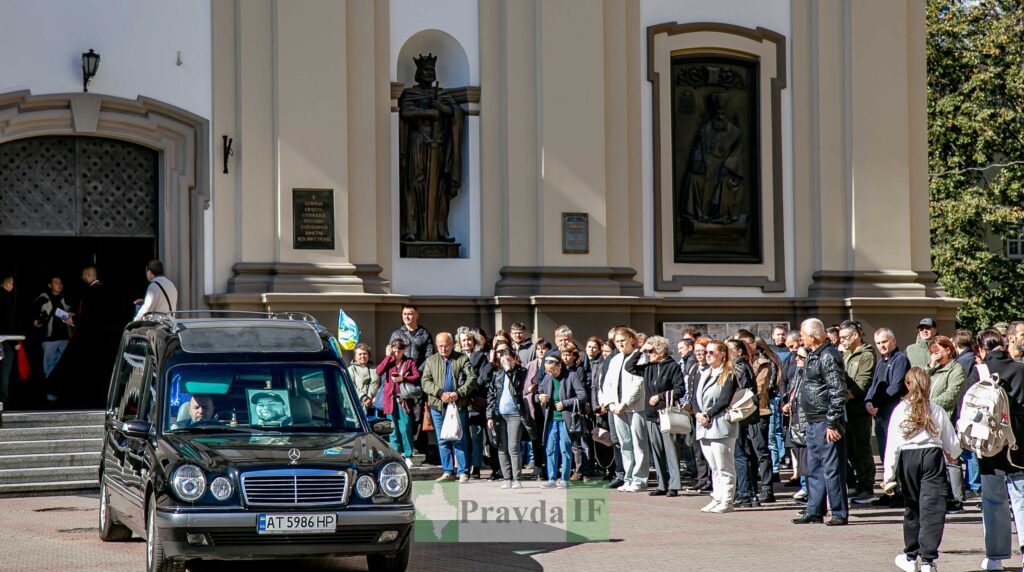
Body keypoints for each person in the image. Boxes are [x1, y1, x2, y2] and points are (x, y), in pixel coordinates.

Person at [885, 368, 961, 572]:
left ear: (907, 385)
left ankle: (911, 556)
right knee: (933, 508)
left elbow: (892, 444)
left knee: (912, 507)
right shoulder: (936, 409)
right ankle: (928, 560)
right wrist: (951, 452)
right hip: (932, 456)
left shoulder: (900, 410)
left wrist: (888, 476)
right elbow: (953, 445)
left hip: (908, 457)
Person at [965, 330, 1024, 572]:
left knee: (993, 502)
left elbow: (965, 410)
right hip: (1019, 447)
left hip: (989, 449)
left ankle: (996, 557)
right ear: (1004, 344)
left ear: (980, 349)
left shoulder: (979, 373)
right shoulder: (1021, 370)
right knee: (1021, 502)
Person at [792, 318, 849, 526]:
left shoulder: (828, 355)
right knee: (813, 467)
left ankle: (839, 512)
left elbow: (837, 390)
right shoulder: (813, 355)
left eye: (803, 335)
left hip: (826, 421)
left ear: (813, 336)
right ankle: (815, 509)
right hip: (812, 420)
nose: (801, 339)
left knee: (832, 468)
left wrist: (833, 423)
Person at [625, 335, 685, 497]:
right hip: (651, 415)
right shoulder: (648, 367)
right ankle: (662, 484)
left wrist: (660, 396)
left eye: (651, 350)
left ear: (660, 351)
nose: (649, 353)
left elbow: (680, 390)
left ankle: (674, 485)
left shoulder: (672, 367)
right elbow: (629, 367)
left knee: (671, 451)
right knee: (657, 452)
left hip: (667, 414)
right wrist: (640, 350)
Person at [862, 327, 911, 506]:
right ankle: (889, 490)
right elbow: (874, 384)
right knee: (885, 453)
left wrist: (876, 403)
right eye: (878, 343)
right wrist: (868, 401)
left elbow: (896, 386)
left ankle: (899, 492)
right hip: (881, 414)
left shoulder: (900, 359)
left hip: (894, 411)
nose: (882, 345)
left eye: (884, 341)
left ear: (893, 341)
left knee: (895, 452)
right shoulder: (881, 362)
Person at [420, 332, 478, 483]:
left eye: (446, 345)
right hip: (438, 405)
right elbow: (425, 381)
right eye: (440, 346)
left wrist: (458, 393)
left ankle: (463, 471)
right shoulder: (431, 361)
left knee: (459, 437)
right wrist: (440, 393)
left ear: (452, 344)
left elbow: (471, 379)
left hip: (458, 404)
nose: (443, 348)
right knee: (442, 439)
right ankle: (448, 471)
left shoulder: (462, 358)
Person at [599, 327, 649, 493]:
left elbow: (639, 383)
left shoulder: (641, 357)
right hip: (616, 409)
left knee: (638, 444)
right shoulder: (615, 359)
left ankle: (639, 480)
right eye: (617, 341)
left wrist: (625, 403)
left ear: (632, 339)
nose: (620, 344)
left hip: (635, 408)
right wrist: (610, 403)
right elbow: (607, 384)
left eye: (623, 340)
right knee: (625, 444)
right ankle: (628, 478)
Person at [692, 340, 739, 513]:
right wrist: (697, 413)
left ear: (722, 354)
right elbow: (693, 397)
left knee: (724, 465)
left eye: (712, 352)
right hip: (703, 425)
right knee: (713, 466)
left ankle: (727, 499)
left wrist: (708, 415)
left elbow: (724, 399)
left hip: (720, 424)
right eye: (706, 353)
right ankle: (717, 496)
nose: (708, 355)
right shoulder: (703, 373)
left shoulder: (729, 373)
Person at [925, 335, 966, 513]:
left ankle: (957, 498)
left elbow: (951, 395)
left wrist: (929, 404)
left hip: (946, 418)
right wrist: (930, 366)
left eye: (938, 351)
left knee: (952, 457)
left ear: (948, 350)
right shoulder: (935, 370)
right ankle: (943, 495)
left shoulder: (956, 370)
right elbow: (920, 385)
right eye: (932, 352)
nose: (935, 355)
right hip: (931, 418)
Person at [536, 351, 587, 488]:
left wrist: (565, 403)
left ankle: (565, 479)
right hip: (551, 419)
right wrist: (539, 397)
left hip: (566, 419)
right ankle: (552, 478)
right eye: (547, 371)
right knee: (550, 448)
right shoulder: (547, 378)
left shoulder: (571, 376)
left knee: (565, 448)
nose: (550, 373)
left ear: (559, 366)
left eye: (552, 370)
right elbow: (538, 393)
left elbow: (582, 396)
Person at [839, 320, 877, 503]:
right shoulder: (847, 354)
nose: (842, 341)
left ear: (855, 336)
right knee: (851, 450)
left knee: (862, 449)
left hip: (859, 409)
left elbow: (862, 382)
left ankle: (867, 486)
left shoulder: (866, 355)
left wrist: (844, 396)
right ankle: (859, 485)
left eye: (845, 337)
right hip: (847, 410)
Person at [389, 304, 434, 455]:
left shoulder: (424, 334)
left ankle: (418, 446)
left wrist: (415, 372)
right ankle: (402, 446)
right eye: (404, 314)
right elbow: (391, 356)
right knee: (402, 415)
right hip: (399, 382)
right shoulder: (397, 334)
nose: (407, 317)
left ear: (416, 315)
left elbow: (429, 357)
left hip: (417, 380)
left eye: (410, 314)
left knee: (418, 414)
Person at [486, 348, 534, 488]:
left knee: (513, 446)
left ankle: (517, 478)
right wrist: (490, 416)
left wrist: (509, 370)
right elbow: (491, 395)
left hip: (515, 414)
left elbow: (518, 387)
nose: (505, 362)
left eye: (508, 359)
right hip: (499, 414)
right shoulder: (497, 374)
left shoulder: (521, 372)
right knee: (501, 446)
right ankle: (506, 478)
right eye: (503, 360)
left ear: (515, 359)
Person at [375, 339, 421, 468]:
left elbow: (417, 376)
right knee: (393, 429)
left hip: (403, 399)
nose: (396, 353)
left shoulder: (409, 362)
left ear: (403, 350)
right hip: (389, 399)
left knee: (405, 427)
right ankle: (396, 455)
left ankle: (408, 455)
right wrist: (387, 356)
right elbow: (378, 371)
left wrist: (403, 378)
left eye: (399, 351)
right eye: (394, 351)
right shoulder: (389, 361)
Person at [726, 338, 760, 507]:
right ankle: (751, 493)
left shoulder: (738, 366)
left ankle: (745, 493)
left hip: (739, 415)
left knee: (740, 454)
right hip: (742, 415)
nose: (726, 352)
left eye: (729, 349)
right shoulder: (741, 365)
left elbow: (741, 391)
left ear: (739, 351)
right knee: (744, 453)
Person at [348, 343, 381, 417]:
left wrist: (378, 397)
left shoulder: (376, 368)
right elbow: (350, 386)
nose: (362, 356)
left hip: (375, 406)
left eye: (365, 354)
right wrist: (364, 398)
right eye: (360, 354)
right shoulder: (351, 370)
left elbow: (382, 384)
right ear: (355, 356)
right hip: (358, 406)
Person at [0, 273, 17, 405]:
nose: (13, 286)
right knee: (5, 369)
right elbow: (9, 321)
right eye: (11, 283)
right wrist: (15, 341)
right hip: (5, 339)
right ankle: (3, 399)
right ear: (7, 284)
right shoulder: (7, 299)